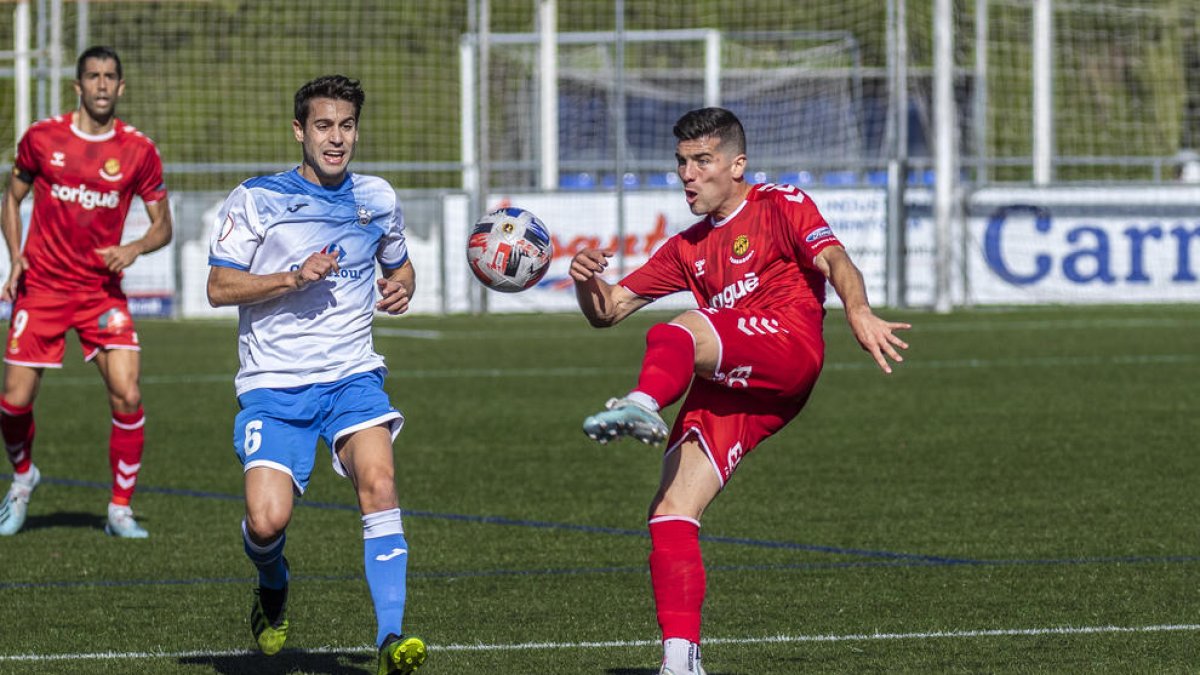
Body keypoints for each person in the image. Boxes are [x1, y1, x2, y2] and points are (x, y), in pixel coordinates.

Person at [572, 107, 911, 675]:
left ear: (737, 164)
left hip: (788, 348)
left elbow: (834, 259)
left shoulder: (781, 203)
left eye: (702, 161)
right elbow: (609, 312)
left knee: (680, 329)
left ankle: (644, 402)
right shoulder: (686, 247)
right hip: (738, 383)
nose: (688, 174)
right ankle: (681, 660)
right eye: (681, 163)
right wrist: (588, 282)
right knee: (671, 510)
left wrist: (858, 310)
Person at [206, 74, 425, 673]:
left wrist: (400, 289)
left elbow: (401, 269)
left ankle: (390, 640)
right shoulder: (257, 199)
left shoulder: (377, 197)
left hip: (352, 376)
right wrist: (291, 278)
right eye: (324, 126)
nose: (337, 138)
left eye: (347, 126)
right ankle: (272, 589)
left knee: (378, 482)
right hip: (274, 386)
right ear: (299, 130)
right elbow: (218, 287)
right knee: (266, 520)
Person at [0, 45, 173, 538]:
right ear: (78, 86)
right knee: (13, 402)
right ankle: (22, 477)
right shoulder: (41, 138)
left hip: (101, 293)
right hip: (43, 289)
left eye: (109, 77)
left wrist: (135, 246)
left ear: (121, 87)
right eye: (92, 76)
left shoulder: (139, 150)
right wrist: (16, 256)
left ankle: (119, 509)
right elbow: (10, 199)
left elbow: (164, 227)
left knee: (128, 393)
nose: (101, 84)